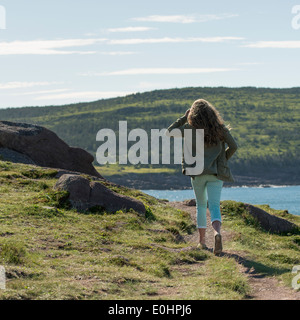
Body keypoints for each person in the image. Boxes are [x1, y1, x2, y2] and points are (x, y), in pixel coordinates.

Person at [166, 99, 238, 255]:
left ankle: (202, 242)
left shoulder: (188, 128)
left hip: (197, 173)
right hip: (215, 174)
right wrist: (223, 159)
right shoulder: (220, 129)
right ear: (212, 113)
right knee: (214, 205)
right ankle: (217, 233)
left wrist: (184, 118)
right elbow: (234, 146)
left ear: (193, 114)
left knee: (200, 205)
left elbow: (169, 132)